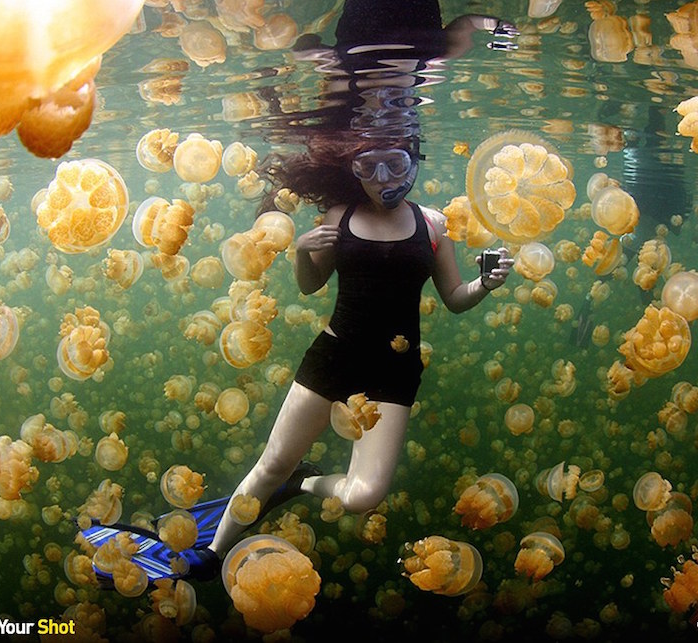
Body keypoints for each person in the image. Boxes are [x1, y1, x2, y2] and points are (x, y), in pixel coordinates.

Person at [198, 129, 512, 569]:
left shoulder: (434, 225)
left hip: (395, 370)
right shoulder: (339, 215)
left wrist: (486, 284)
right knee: (271, 465)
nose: (383, 177)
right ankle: (212, 554)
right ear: (354, 170)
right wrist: (302, 252)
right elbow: (310, 287)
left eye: (396, 164)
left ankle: (301, 486)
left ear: (414, 161)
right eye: (369, 167)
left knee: (364, 494)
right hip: (334, 356)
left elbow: (456, 298)